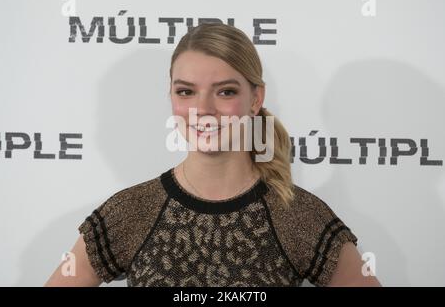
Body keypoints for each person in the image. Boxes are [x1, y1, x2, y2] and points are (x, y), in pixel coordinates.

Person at [45, 23, 381, 287]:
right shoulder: (131, 211)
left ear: (255, 98)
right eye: (186, 91)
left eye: (225, 91)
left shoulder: (298, 215)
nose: (203, 110)